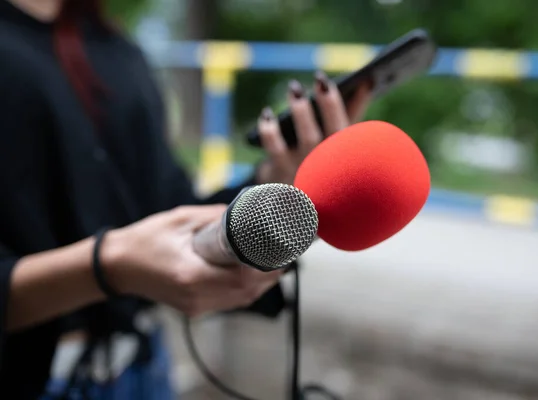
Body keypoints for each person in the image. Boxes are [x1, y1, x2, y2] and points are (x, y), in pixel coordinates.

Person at [0, 0, 372, 399]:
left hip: (139, 366)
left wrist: (274, 179)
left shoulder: (114, 46)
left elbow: (169, 207)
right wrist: (108, 265)